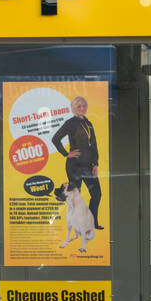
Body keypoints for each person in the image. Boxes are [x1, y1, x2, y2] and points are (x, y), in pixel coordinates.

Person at [49, 95, 103, 230]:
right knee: (75, 199)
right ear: (73, 108)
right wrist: (66, 153)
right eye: (78, 106)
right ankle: (76, 226)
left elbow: (94, 145)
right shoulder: (70, 123)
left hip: (88, 166)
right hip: (75, 166)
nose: (82, 108)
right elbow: (55, 139)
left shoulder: (88, 123)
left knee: (96, 194)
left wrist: (95, 164)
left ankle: (92, 223)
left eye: (84, 106)